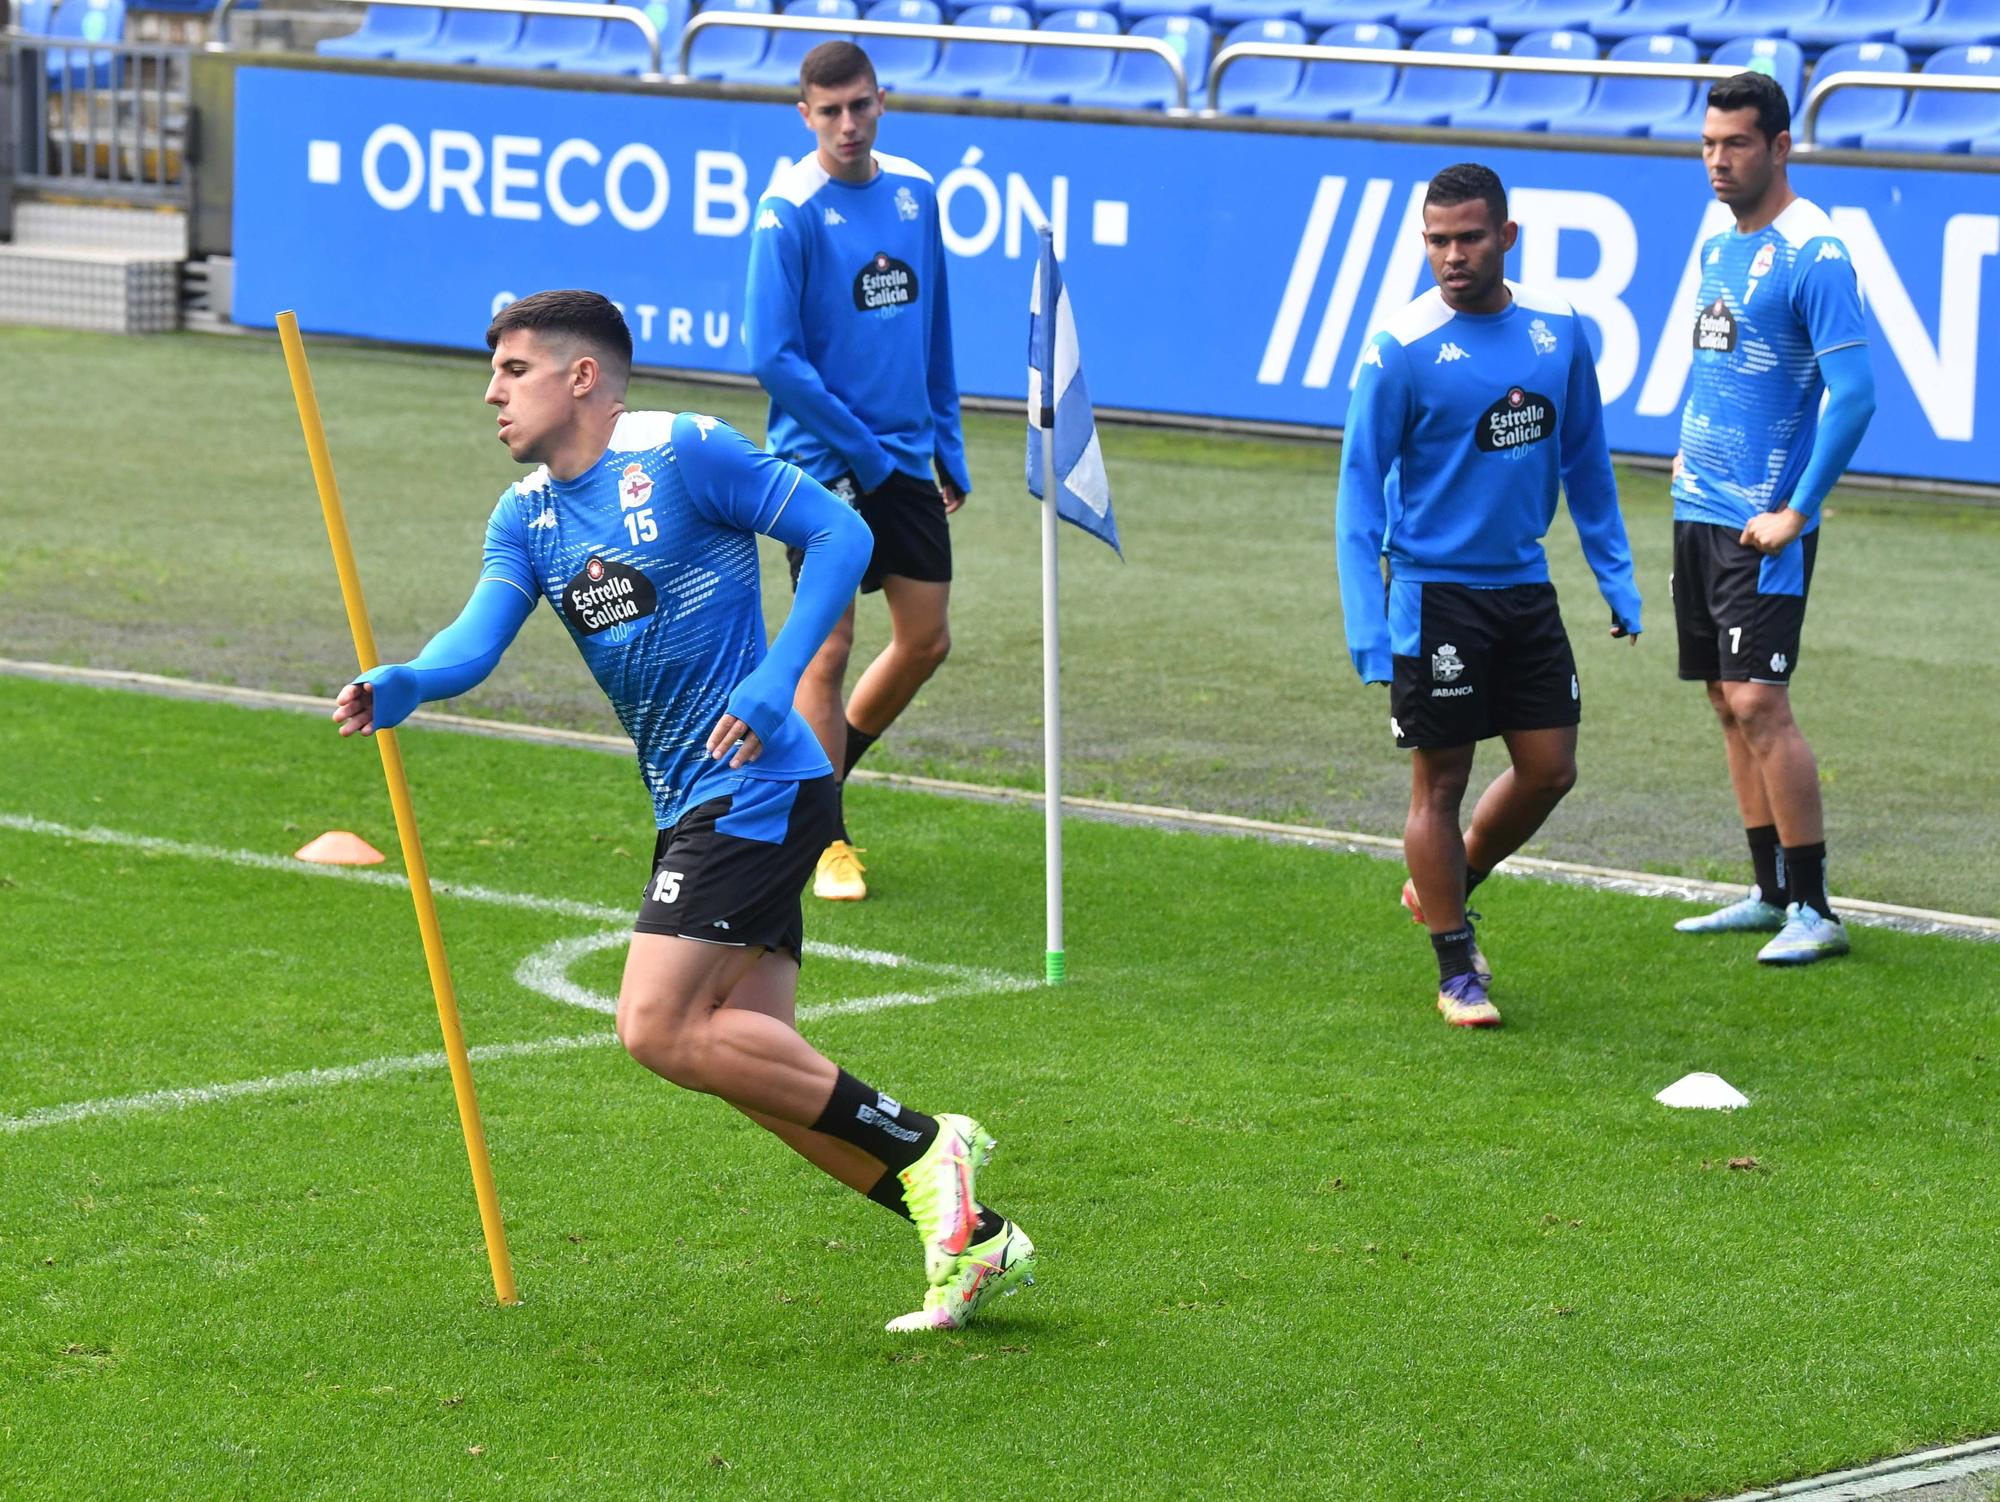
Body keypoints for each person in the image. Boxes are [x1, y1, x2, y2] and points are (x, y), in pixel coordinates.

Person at [329, 290, 1033, 1333]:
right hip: (688, 797)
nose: (491, 392)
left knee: (656, 1026)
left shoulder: (684, 451)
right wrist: (411, 681)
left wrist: (777, 675)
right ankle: (971, 1237)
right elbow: (475, 639)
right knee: (756, 1062)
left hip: (759, 782)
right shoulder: (524, 515)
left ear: (581, 377)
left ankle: (929, 1146)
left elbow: (837, 532)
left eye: (512, 369)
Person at [1336, 164, 1643, 1029]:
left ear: (1508, 237)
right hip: (1435, 596)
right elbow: (1358, 490)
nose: (1452, 255)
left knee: (1551, 770)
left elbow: (1587, 459)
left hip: (1524, 588)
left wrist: (1613, 577)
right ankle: (1455, 969)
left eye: (1469, 238)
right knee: (1440, 782)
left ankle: (1449, 885)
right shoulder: (1400, 348)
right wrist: (1369, 627)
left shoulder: (1559, 331)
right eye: (1437, 240)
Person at [744, 40, 971, 904]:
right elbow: (773, 356)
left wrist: (945, 439)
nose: (847, 124)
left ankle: (822, 779)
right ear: (805, 116)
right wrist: (869, 455)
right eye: (829, 111)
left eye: (860, 107)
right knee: (828, 647)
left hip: (906, 454)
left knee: (924, 641)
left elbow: (933, 324)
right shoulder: (787, 209)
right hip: (821, 461)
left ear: (883, 103)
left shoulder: (916, 193)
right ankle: (824, 837)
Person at [1668, 71, 1876, 965]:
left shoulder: (1815, 252)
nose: (1718, 160)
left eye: (1737, 143)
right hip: (1697, 504)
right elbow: (1719, 361)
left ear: (1781, 146)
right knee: (1724, 700)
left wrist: (1798, 509)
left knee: (1761, 700)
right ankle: (1767, 891)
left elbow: (1856, 396)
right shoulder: (1720, 240)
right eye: (1710, 143)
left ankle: (1816, 907)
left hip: (1763, 521)